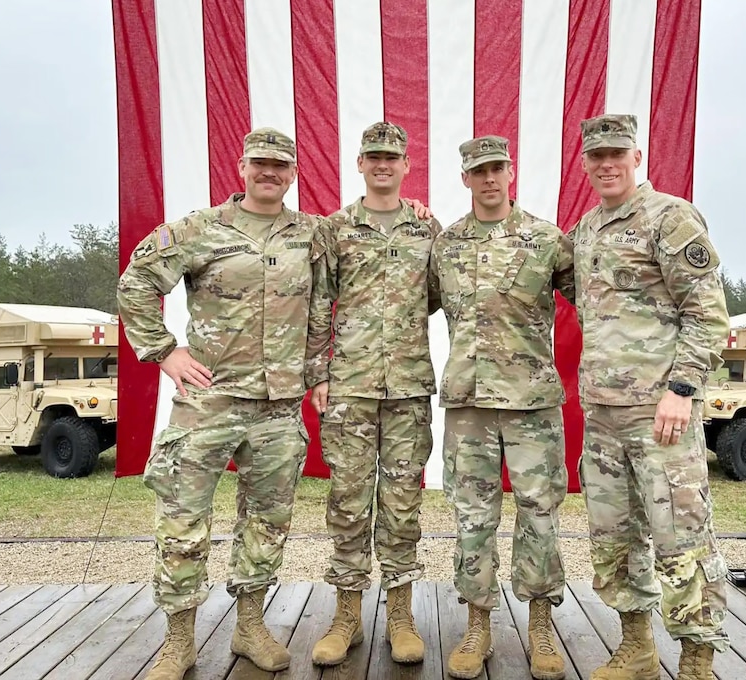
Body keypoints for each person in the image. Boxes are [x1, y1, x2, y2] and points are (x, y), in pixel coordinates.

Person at [117, 127, 334, 680]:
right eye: (261, 163)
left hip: (279, 408)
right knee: (183, 520)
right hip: (208, 403)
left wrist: (312, 374)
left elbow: (327, 303)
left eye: (281, 166)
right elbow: (138, 281)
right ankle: (179, 640)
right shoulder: (198, 229)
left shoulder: (311, 235)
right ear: (241, 167)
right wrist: (165, 352)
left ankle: (249, 626)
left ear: (293, 175)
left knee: (267, 522)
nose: (270, 173)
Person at [569, 113, 730, 680]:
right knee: (614, 538)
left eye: (617, 153)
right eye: (597, 156)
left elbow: (707, 314)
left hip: (660, 413)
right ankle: (636, 647)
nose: (607, 163)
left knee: (680, 533)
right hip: (604, 414)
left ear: (637, 156)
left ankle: (696, 660)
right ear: (585, 163)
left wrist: (682, 389)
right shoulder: (586, 231)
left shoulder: (670, 217)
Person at [431, 135, 575, 680]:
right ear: (464, 178)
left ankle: (540, 626)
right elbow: (407, 304)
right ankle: (478, 624)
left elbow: (598, 300)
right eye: (478, 171)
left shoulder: (546, 239)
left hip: (532, 403)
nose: (489, 178)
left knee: (540, 516)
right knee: (472, 518)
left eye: (497, 168)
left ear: (510, 172)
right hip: (468, 405)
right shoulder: (444, 245)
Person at [308, 121, 442, 667]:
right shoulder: (336, 229)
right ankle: (346, 616)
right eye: (373, 157)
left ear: (407, 165)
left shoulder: (427, 229)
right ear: (359, 165)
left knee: (403, 502)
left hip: (408, 387)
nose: (383, 165)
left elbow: (436, 295)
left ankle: (401, 614)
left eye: (392, 157)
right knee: (347, 500)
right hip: (351, 388)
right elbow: (320, 303)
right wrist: (318, 373)